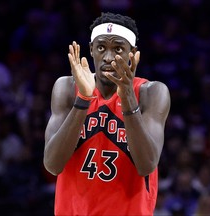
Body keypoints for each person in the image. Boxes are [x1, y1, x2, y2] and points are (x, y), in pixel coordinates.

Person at [43, 12, 171, 215]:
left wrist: (128, 96)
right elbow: (52, 164)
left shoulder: (151, 93)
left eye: (118, 48)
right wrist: (83, 100)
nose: (109, 57)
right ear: (91, 49)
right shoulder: (67, 87)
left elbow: (146, 165)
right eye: (101, 48)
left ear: (133, 53)